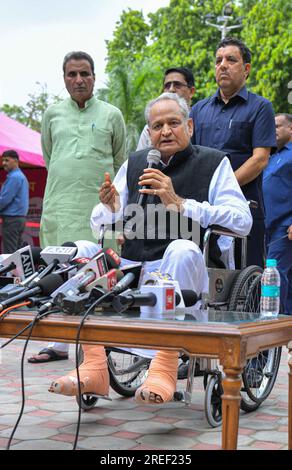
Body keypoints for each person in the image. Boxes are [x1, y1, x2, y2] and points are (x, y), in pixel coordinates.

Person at [48, 93, 252, 405]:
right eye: (157, 125)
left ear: (190, 126)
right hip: (133, 273)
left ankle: (166, 365)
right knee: (81, 251)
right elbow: (102, 223)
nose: (166, 131)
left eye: (174, 123)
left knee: (181, 248)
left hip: (186, 277)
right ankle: (94, 366)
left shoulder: (214, 162)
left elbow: (243, 221)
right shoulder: (136, 163)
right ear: (149, 132)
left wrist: (183, 204)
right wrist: (110, 206)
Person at [27, 51, 126, 363]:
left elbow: (121, 161)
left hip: (100, 208)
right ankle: (58, 344)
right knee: (60, 270)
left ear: (94, 77)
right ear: (65, 78)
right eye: (72, 74)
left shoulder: (112, 114)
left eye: (85, 73)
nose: (79, 80)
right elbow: (49, 157)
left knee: (101, 271)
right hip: (61, 206)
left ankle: (101, 344)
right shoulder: (53, 114)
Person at [190, 37, 276, 268]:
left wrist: (221, 188)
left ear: (246, 69)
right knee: (203, 280)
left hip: (245, 208)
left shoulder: (260, 107)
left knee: (247, 281)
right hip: (203, 211)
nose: (222, 65)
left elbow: (260, 160)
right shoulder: (198, 110)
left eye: (231, 59)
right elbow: (190, 157)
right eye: (218, 61)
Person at [263, 113, 292, 314]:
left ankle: (276, 328)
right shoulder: (273, 155)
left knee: (276, 275)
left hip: (285, 225)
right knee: (281, 276)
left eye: (276, 126)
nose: (271, 130)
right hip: (268, 226)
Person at [136, 67, 195, 150]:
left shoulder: (200, 120)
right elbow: (140, 157)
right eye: (167, 86)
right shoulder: (149, 127)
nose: (171, 89)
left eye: (177, 85)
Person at [0, 150, 29, 253]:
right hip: (18, 219)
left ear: (16, 161)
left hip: (11, 220)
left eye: (7, 160)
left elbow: (4, 200)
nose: (4, 163)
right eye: (3, 160)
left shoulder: (14, 177)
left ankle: (11, 270)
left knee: (10, 253)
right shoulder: (20, 176)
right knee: (17, 252)